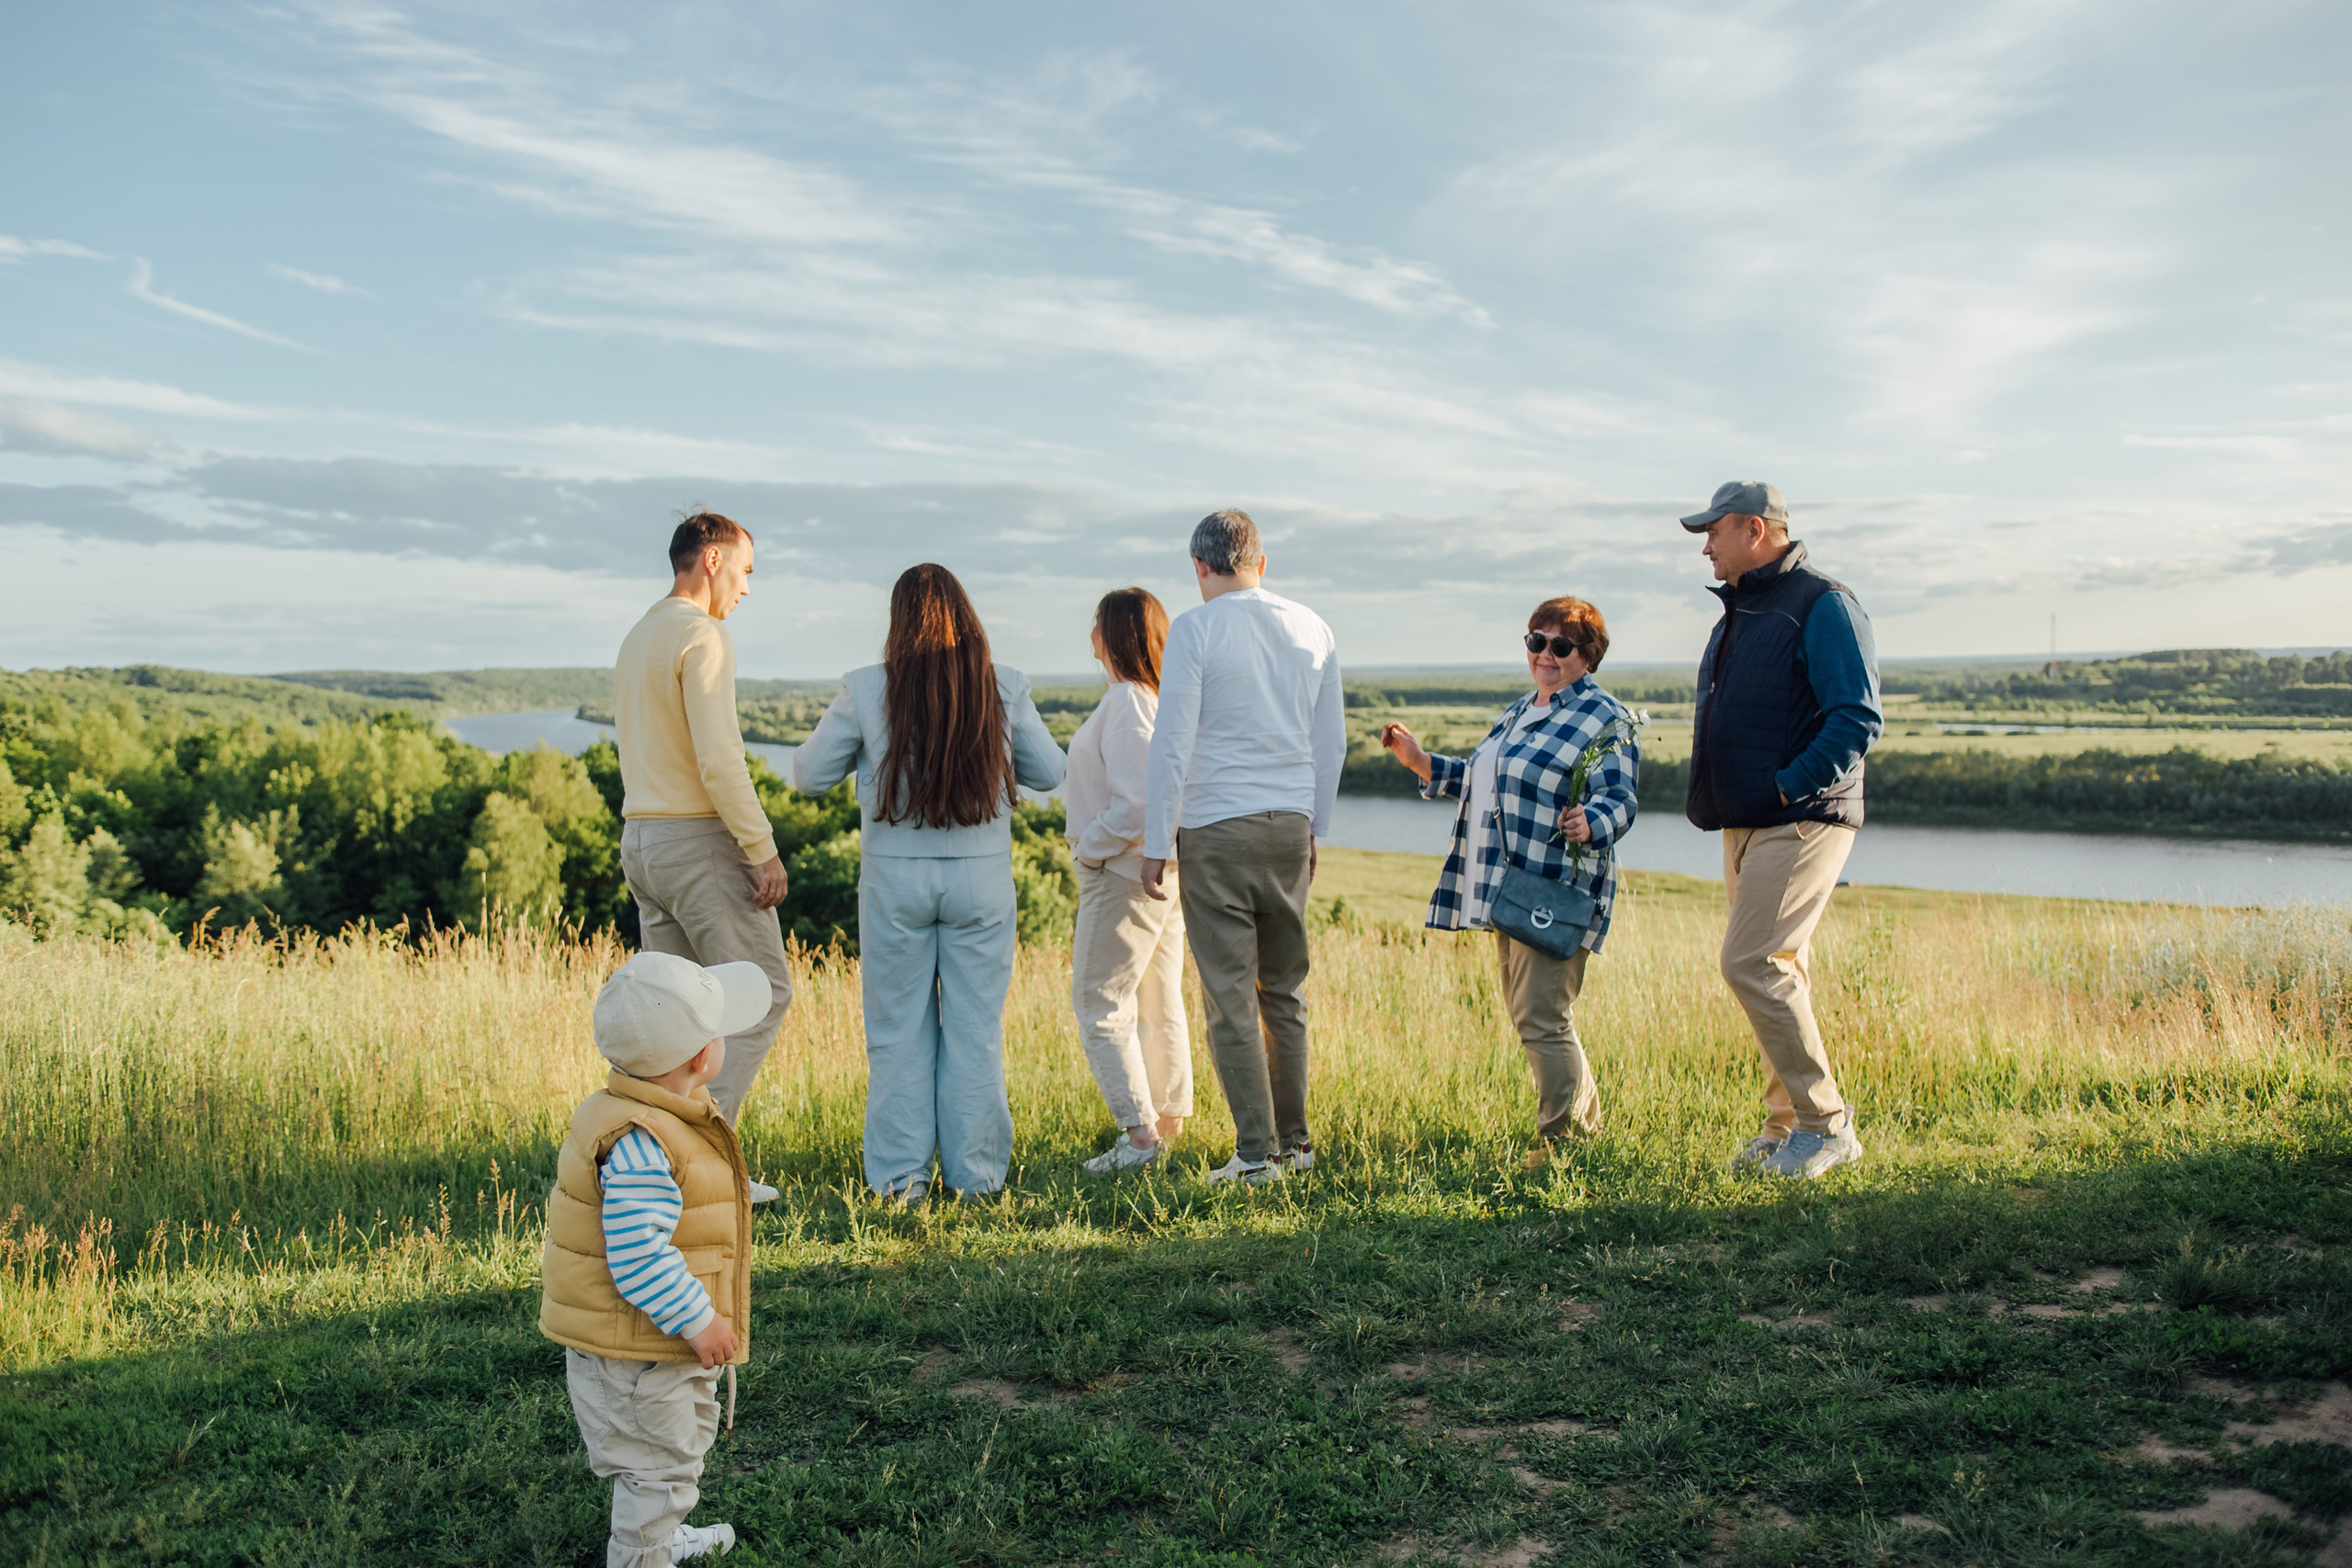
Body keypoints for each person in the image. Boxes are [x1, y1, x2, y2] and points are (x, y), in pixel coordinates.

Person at [792, 563, 1066, 1203]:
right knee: (975, 1031)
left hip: (894, 877)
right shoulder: (1002, 686)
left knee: (897, 1032)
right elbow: (1051, 771)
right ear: (967, 618)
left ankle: (899, 1181)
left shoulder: (865, 688)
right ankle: (976, 1178)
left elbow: (807, 775)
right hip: (982, 877)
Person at [1379, 598, 1639, 1161]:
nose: (1545, 654)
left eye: (1561, 646)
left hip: (1557, 890)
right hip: (1511, 889)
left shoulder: (1604, 716)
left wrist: (1591, 822)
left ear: (1588, 656)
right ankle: (1584, 1133)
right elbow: (1483, 781)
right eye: (1535, 641)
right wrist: (1422, 762)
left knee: (1542, 1016)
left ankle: (1565, 1144)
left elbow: (1620, 798)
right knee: (1535, 1014)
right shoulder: (1522, 709)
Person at [1680, 480, 1883, 1179]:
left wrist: (1786, 785)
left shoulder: (1821, 603)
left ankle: (1827, 1126)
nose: (1705, 545)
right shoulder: (1746, 609)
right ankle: (1785, 1125)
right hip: (1747, 820)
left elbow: (1856, 717)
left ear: (1754, 529)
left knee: (1752, 963)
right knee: (1780, 968)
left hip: (1800, 817)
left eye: (1713, 532)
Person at [540, 950, 767, 1567]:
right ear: (700, 1057)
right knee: (657, 1465)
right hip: (642, 1353)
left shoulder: (630, 1113)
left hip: (631, 1346)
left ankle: (657, 1539)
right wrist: (700, 1319)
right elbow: (639, 1254)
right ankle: (643, 1554)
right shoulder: (644, 1141)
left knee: (658, 1460)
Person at [1142, 510, 1343, 1186]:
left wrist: (1154, 842)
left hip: (1215, 823)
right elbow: (1330, 744)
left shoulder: (1196, 627)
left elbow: (1172, 743)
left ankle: (1255, 1155)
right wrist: (1315, 826)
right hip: (1289, 821)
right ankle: (1297, 1143)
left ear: (1199, 566)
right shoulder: (1312, 626)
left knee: (1229, 993)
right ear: (1263, 561)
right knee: (1283, 989)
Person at [612, 510, 792, 1183]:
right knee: (763, 991)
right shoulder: (702, 636)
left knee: (677, 1021)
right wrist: (761, 847)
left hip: (642, 841)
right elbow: (720, 761)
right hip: (698, 843)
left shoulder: (639, 634)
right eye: (745, 570)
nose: (746, 588)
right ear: (712, 559)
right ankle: (707, 1160)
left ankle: (656, 1166)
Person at [1065, 587, 1193, 1172]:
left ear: (1111, 634)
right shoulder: (1156, 700)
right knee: (1159, 998)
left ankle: (1139, 1136)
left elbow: (1135, 804)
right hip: (1161, 872)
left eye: (1095, 622)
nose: (1088, 631)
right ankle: (1166, 1123)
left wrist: (1089, 851)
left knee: (1099, 1001)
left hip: (1122, 873)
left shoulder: (1126, 703)